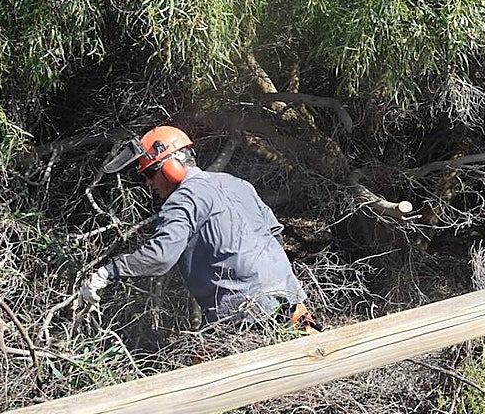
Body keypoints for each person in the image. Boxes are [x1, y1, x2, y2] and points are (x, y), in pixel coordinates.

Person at [77, 125, 319, 333]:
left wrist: (107, 273)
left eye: (150, 172)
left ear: (172, 166)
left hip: (245, 314)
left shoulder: (183, 199)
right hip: (291, 300)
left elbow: (160, 257)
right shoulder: (237, 183)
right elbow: (274, 232)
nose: (148, 183)